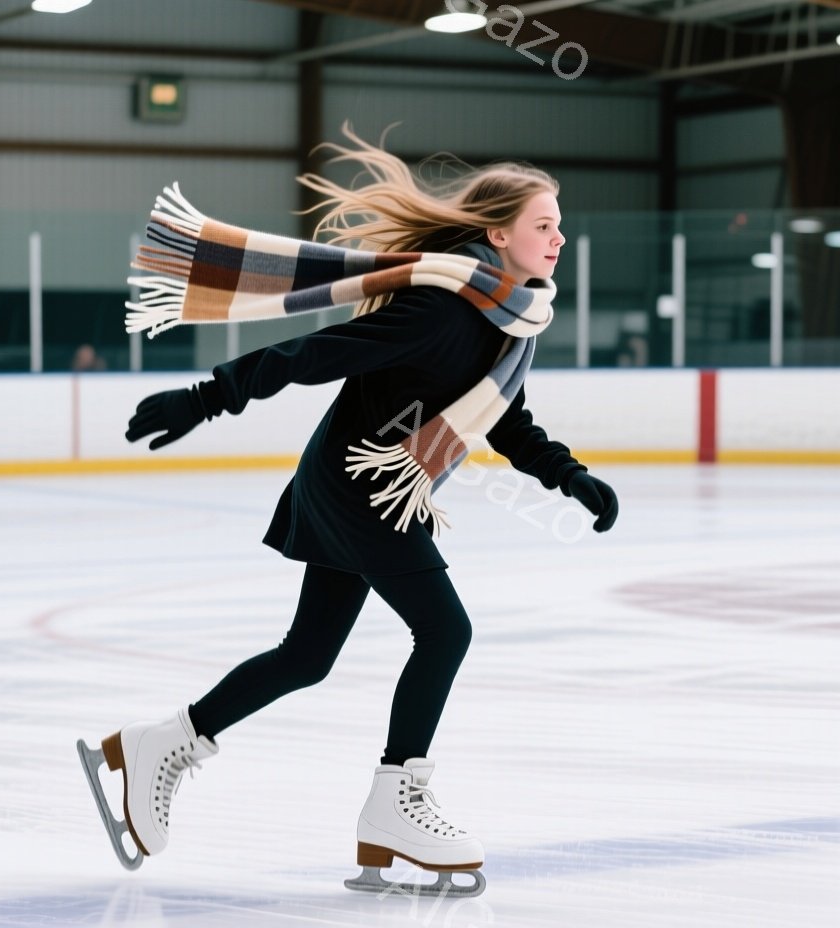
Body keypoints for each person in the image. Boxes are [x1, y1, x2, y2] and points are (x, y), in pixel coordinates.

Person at [82, 128, 619, 897]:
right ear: (498, 234)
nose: (559, 237)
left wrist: (569, 477)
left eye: (559, 223)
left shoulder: (505, 319)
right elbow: (317, 354)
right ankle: (398, 798)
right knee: (445, 630)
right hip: (358, 486)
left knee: (308, 655)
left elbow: (503, 419)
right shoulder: (444, 308)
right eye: (544, 224)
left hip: (356, 486)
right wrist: (210, 396)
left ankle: (158, 744)